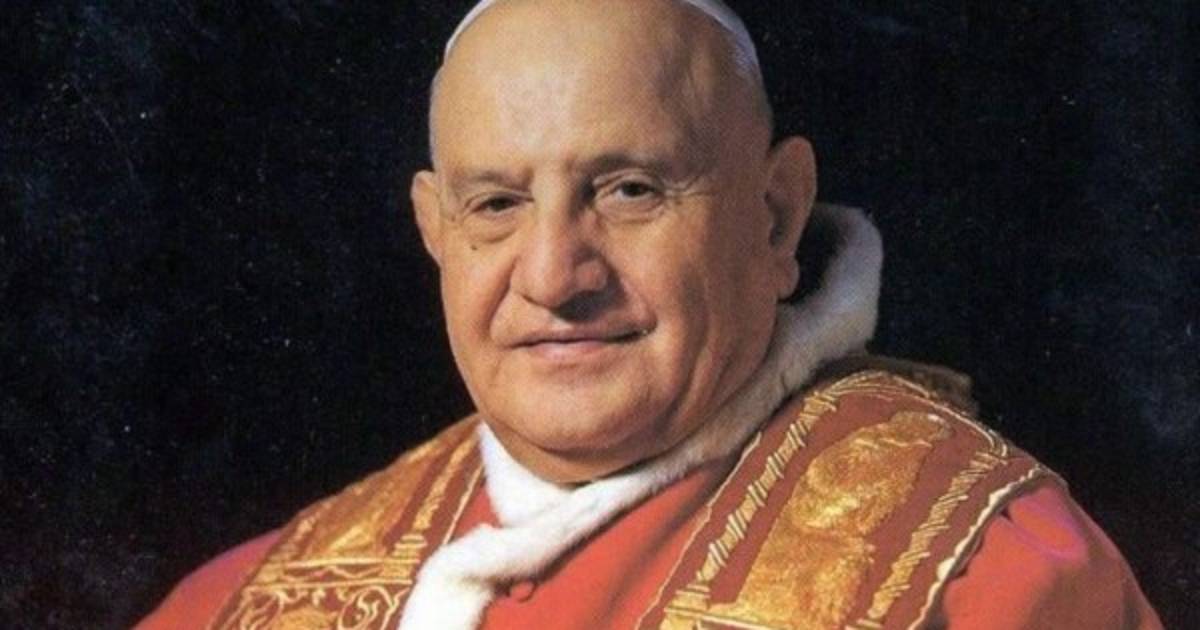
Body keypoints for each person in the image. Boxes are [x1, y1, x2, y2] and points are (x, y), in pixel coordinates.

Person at [138, 1, 1161, 628]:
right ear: (435, 230)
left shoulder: (988, 576)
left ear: (774, 216)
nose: (554, 275)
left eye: (629, 190)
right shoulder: (239, 601)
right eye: (496, 204)